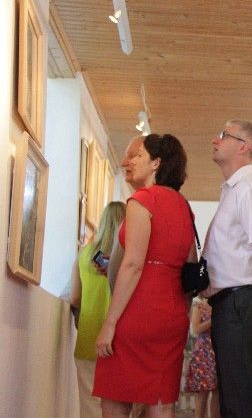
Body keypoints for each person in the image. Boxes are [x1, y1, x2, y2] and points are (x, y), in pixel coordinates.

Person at [93, 134, 196, 417]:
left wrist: (110, 323)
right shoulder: (183, 206)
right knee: (161, 401)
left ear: (156, 163)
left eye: (138, 155)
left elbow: (133, 265)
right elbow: (190, 263)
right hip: (172, 313)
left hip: (138, 309)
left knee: (115, 397)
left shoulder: (142, 200)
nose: (130, 161)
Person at [201, 120, 252, 418]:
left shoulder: (250, 189)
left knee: (243, 402)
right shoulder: (233, 191)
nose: (215, 140)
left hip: (242, 302)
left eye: (223, 135)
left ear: (243, 146)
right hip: (232, 304)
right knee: (233, 400)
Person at [70, 201, 126, 418]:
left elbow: (75, 297)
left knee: (89, 405)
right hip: (120, 339)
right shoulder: (128, 258)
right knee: (119, 406)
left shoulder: (84, 254)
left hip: (89, 336)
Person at [108, 135, 145, 292]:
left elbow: (134, 265)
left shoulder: (146, 205)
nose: (124, 163)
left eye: (132, 156)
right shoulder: (137, 203)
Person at [186, 297, 220, 418]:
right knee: (202, 391)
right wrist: (214, 319)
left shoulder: (220, 304)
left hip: (218, 349)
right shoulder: (199, 306)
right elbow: (196, 329)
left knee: (217, 392)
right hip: (203, 352)